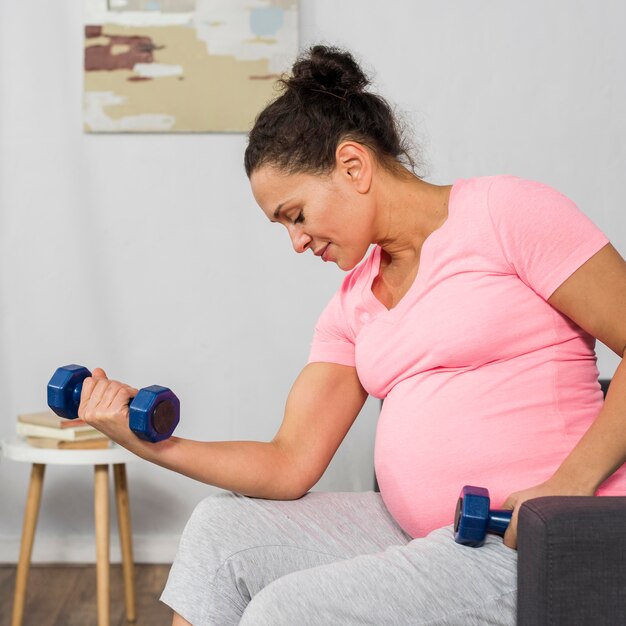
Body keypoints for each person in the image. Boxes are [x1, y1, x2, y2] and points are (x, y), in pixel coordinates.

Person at [77, 45, 626, 625]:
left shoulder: (506, 214)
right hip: (426, 532)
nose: (296, 241)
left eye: (296, 214)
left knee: (286, 613)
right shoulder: (352, 303)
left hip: (538, 538)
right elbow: (289, 462)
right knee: (223, 534)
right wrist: (146, 442)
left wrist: (566, 485)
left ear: (353, 166)